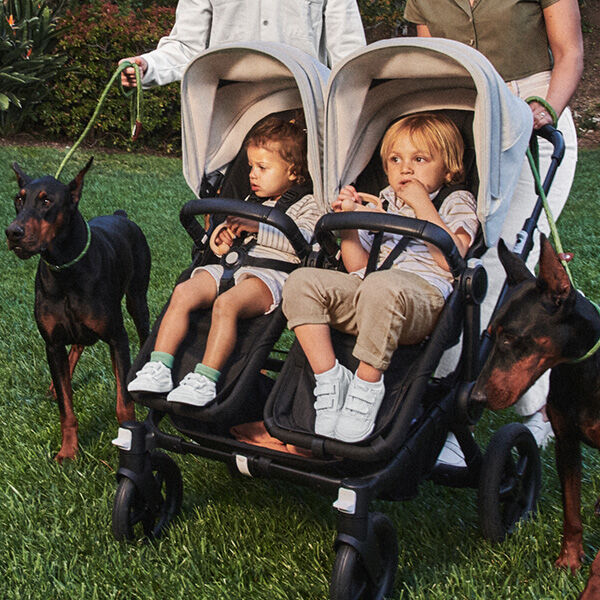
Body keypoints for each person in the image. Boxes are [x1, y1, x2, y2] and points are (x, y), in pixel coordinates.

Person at [404, 0, 584, 461]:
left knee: (491, 269)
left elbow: (569, 53)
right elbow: (434, 69)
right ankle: (532, 403)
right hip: (466, 120)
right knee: (443, 260)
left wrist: (547, 109)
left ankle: (450, 420)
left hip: (534, 117)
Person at [281, 113, 478, 443]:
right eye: (396, 159)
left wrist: (420, 205)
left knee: (381, 286)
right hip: (369, 291)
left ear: (448, 168)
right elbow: (358, 267)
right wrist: (351, 224)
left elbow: (450, 259)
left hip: (421, 300)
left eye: (419, 159)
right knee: (301, 281)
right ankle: (329, 378)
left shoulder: (455, 200)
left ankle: (366, 388)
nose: (406, 169)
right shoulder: (384, 200)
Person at [128, 116, 323, 406]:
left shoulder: (310, 204)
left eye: (262, 168)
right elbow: (230, 232)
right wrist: (222, 239)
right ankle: (159, 365)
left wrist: (260, 227)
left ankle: (205, 379)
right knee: (183, 292)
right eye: (251, 167)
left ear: (294, 171)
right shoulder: (252, 199)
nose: (253, 175)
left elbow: (305, 242)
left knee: (226, 305)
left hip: (270, 276)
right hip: (232, 266)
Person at [119, 0, 366, 88]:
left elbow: (350, 57)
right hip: (229, 122)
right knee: (227, 204)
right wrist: (148, 66)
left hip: (304, 121)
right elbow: (186, 47)